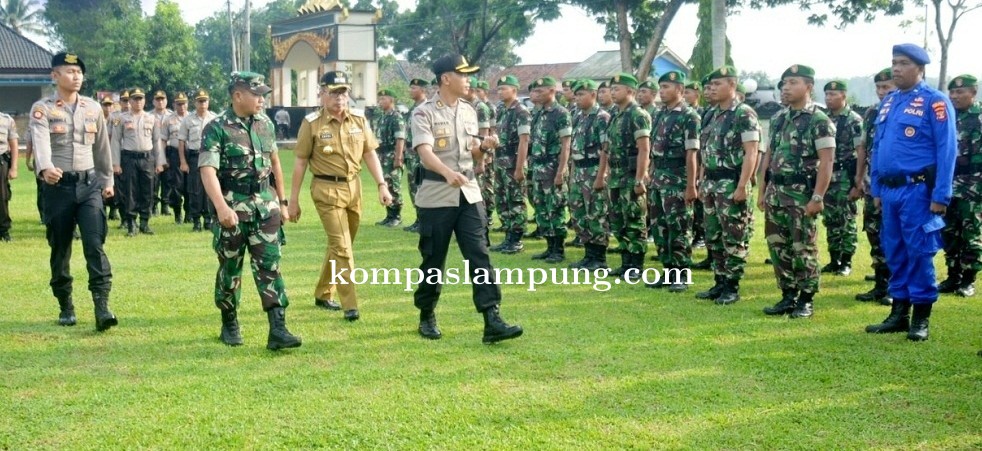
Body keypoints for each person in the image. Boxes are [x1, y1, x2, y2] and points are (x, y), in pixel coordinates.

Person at [410, 54, 523, 343]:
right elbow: (425, 153)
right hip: (436, 196)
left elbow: (473, 153)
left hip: (469, 194)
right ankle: (427, 314)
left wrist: (484, 147)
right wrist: (448, 173)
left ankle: (492, 318)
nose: (468, 80)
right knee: (433, 259)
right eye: (463, 75)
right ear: (446, 78)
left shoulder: (470, 110)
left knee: (479, 254)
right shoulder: (423, 113)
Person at [199, 71, 300, 350]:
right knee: (230, 268)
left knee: (270, 266)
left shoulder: (265, 124)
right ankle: (229, 322)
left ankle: (278, 329)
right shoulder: (217, 127)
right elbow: (208, 170)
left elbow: (275, 163)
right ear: (237, 95)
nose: (261, 100)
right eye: (256, 94)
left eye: (263, 94)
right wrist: (221, 207)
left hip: (265, 209)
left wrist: (281, 201)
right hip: (232, 209)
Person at [866, 44, 957, 342]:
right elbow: (878, 147)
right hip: (890, 192)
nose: (896, 69)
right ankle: (898, 312)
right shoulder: (889, 102)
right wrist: (877, 187)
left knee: (919, 252)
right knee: (894, 251)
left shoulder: (935, 102)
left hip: (918, 191)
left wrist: (940, 195)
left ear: (920, 68)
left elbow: (947, 151)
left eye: (903, 63)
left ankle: (920, 317)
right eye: (894, 63)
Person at [289, 71, 392, 321]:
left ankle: (323, 292)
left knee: (341, 245)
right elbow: (301, 162)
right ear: (322, 93)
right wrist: (292, 201)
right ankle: (351, 305)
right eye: (334, 92)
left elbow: (369, 153)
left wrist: (381, 184)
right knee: (343, 247)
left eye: (343, 92)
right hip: (325, 190)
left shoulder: (358, 119)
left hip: (354, 189)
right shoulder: (312, 123)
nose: (339, 98)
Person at [30, 52, 117, 330]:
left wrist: (108, 181)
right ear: (55, 75)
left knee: (94, 244)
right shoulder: (42, 109)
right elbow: (40, 141)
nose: (76, 76)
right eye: (69, 71)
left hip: (89, 185)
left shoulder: (92, 108)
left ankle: (102, 308)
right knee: (61, 248)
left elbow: (102, 147)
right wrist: (45, 167)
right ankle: (65, 304)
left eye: (79, 72)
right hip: (58, 188)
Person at [758, 64, 835, 318]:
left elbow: (827, 161)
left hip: (801, 194)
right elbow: (768, 155)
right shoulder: (780, 118)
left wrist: (818, 197)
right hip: (776, 191)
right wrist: (762, 190)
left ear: (808, 87)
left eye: (793, 83)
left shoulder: (819, 120)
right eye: (784, 83)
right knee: (777, 245)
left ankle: (806, 298)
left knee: (803, 246)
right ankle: (787, 294)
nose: (786, 88)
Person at [695, 65, 760, 305]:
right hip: (711, 183)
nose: (711, 88)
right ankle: (719, 281)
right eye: (710, 85)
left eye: (717, 84)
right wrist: (701, 180)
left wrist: (743, 185)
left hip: (731, 182)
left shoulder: (744, 113)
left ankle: (732, 286)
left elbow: (751, 152)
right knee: (714, 235)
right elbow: (705, 150)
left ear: (732, 85)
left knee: (734, 236)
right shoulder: (711, 114)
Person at [646, 70, 701, 291]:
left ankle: (682, 274)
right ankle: (668, 271)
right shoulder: (660, 114)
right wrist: (650, 171)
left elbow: (692, 153)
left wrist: (690, 185)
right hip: (659, 178)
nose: (662, 91)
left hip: (677, 178)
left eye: (666, 87)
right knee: (660, 227)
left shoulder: (689, 115)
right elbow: (653, 148)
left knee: (679, 226)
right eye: (661, 87)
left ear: (680, 89)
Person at [601, 73, 651, 280]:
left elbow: (644, 149)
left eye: (617, 89)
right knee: (618, 221)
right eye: (611, 89)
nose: (613, 92)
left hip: (631, 176)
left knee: (634, 221)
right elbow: (608, 148)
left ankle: (636, 266)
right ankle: (625, 262)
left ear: (630, 91)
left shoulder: (637, 115)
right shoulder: (615, 115)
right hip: (616, 177)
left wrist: (640, 178)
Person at [938, 74, 981, 298]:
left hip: (974, 186)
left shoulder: (979, 117)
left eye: (960, 92)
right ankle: (952, 276)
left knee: (971, 233)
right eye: (952, 92)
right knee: (949, 232)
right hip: (949, 184)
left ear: (973, 93)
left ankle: (968, 280)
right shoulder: (948, 117)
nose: (954, 96)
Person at [855, 68, 896, 305]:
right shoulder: (872, 113)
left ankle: (895, 286)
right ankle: (881, 284)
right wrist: (859, 178)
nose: (882, 93)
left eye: (886, 87)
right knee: (874, 232)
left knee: (893, 234)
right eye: (879, 88)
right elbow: (864, 148)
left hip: (896, 186)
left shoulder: (905, 111)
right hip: (873, 184)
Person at [820, 80, 864, 276]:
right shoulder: (823, 119)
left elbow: (860, 151)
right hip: (827, 177)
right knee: (830, 219)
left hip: (845, 176)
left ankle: (846, 261)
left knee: (846, 219)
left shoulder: (853, 120)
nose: (829, 98)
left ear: (843, 96)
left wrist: (858, 182)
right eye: (827, 94)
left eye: (833, 94)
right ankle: (833, 258)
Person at [566, 79, 611, 270]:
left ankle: (599, 258)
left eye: (581, 94)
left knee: (596, 213)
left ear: (593, 95)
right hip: (579, 170)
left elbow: (605, 150)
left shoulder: (602, 117)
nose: (577, 98)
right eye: (575, 95)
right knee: (579, 213)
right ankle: (588, 254)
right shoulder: (577, 117)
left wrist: (601, 176)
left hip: (594, 169)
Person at [527, 76, 572, 263]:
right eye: (535, 91)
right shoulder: (538, 114)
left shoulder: (561, 114)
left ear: (552, 91)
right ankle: (549, 246)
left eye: (540, 91)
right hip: (538, 167)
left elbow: (566, 145)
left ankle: (558, 250)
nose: (535, 95)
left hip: (553, 168)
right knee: (542, 208)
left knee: (555, 208)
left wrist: (561, 171)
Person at [111, 87, 164, 236]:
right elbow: (115, 141)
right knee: (130, 191)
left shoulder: (151, 118)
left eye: (141, 98)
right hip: (129, 158)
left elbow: (157, 141)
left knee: (148, 190)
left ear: (145, 101)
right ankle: (131, 223)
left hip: (147, 158)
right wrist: (116, 163)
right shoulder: (121, 118)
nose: (138, 101)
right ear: (130, 101)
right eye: (135, 99)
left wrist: (160, 162)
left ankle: (145, 223)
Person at [489, 74, 530, 254]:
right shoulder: (501, 110)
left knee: (516, 201)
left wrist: (520, 168)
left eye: (503, 88)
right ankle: (508, 236)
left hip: (514, 162)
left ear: (514, 90)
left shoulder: (521, 111)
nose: (500, 92)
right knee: (502, 199)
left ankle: (517, 239)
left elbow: (524, 141)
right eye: (498, 89)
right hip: (500, 161)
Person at [179, 89, 219, 232]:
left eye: (205, 101)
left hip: (210, 156)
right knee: (195, 189)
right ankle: (196, 220)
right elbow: (182, 141)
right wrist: (183, 161)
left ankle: (208, 219)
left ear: (208, 102)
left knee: (210, 188)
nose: (202, 104)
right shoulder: (188, 120)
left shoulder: (214, 118)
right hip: (194, 156)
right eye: (200, 101)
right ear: (195, 103)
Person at [373, 88, 406, 227]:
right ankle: (389, 215)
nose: (380, 102)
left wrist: (398, 157)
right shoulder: (382, 117)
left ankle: (396, 216)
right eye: (379, 99)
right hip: (382, 155)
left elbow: (400, 139)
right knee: (385, 184)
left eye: (383, 99)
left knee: (394, 185)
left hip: (392, 154)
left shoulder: (396, 117)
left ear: (391, 100)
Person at [403, 78, 430, 233]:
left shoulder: (427, 108)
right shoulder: (412, 109)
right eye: (410, 88)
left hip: (422, 155)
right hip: (411, 155)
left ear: (423, 90)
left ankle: (425, 220)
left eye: (414, 88)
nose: (410, 90)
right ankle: (419, 219)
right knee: (413, 187)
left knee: (423, 186)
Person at [162, 92, 189, 224]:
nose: (181, 106)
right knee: (176, 185)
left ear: (187, 104)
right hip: (174, 154)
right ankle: (178, 213)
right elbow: (163, 140)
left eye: (183, 103)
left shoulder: (191, 117)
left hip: (191, 154)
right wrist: (162, 158)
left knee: (190, 186)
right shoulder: (169, 119)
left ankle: (189, 213)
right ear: (174, 105)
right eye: (179, 104)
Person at [150, 90, 173, 217]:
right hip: (153, 150)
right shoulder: (149, 115)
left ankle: (165, 205)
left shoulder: (171, 116)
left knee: (168, 179)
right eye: (157, 99)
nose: (160, 101)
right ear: (153, 101)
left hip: (169, 151)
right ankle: (154, 205)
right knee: (154, 179)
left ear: (166, 101)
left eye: (162, 99)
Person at [0, 108, 18, 241]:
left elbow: (13, 145)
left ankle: (3, 230)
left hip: (1, 161)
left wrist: (14, 167)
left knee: (2, 196)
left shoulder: (6, 120)